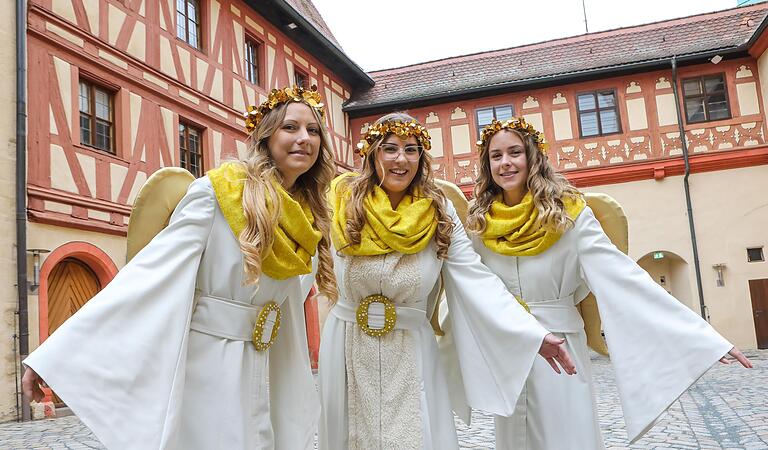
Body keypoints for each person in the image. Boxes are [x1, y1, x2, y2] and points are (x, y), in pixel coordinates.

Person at [21, 86, 337, 450]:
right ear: (266, 136)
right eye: (290, 128)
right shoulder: (218, 195)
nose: (304, 139)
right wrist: (58, 355)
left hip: (267, 367)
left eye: (313, 131)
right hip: (208, 370)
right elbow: (151, 274)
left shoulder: (308, 220)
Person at [464, 117, 752, 450]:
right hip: (510, 350)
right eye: (496, 156)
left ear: (533, 156)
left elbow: (621, 275)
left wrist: (703, 338)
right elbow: (473, 286)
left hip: (561, 350)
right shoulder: (480, 223)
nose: (506, 163)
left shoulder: (569, 213)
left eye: (515, 152)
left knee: (567, 439)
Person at [317, 112, 576, 450]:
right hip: (346, 344)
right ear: (372, 153)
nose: (401, 159)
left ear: (422, 158)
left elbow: (474, 277)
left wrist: (532, 334)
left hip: (412, 348)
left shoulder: (438, 211)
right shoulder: (339, 201)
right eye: (390, 148)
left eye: (411, 150)